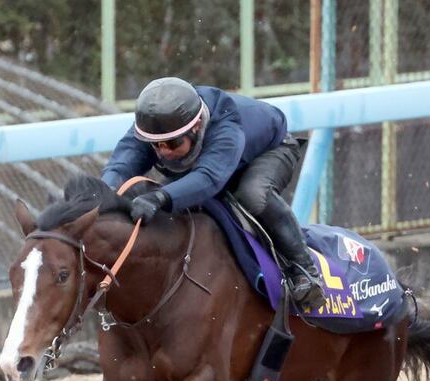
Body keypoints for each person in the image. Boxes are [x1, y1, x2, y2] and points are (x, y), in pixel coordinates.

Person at [101, 77, 325, 309]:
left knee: (251, 194)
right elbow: (120, 165)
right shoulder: (154, 126)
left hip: (269, 151)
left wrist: (160, 197)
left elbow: (208, 179)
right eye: (155, 145)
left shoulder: (226, 127)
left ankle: (303, 270)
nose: (163, 152)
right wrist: (105, 192)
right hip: (210, 164)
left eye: (172, 143)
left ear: (196, 125)